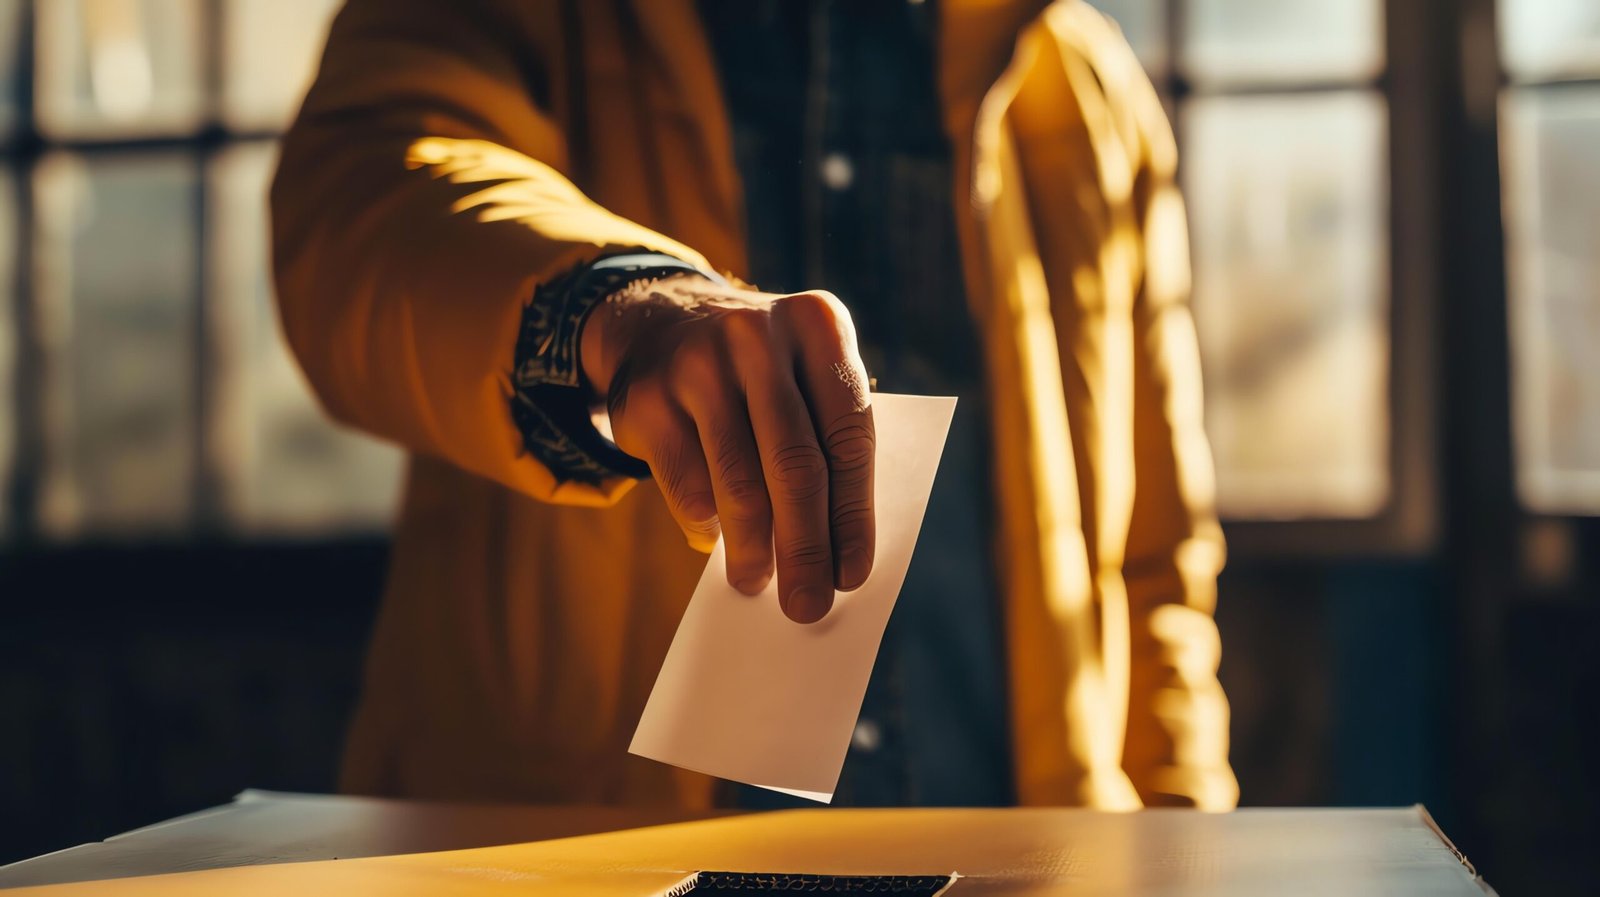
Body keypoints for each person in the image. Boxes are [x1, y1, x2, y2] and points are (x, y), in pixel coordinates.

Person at [272, 0, 1237, 811]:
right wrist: (618, 306)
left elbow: (1154, 566)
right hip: (586, 855)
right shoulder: (515, 17)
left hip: (1030, 860)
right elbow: (358, 210)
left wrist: (1176, 843)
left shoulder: (1083, 91)